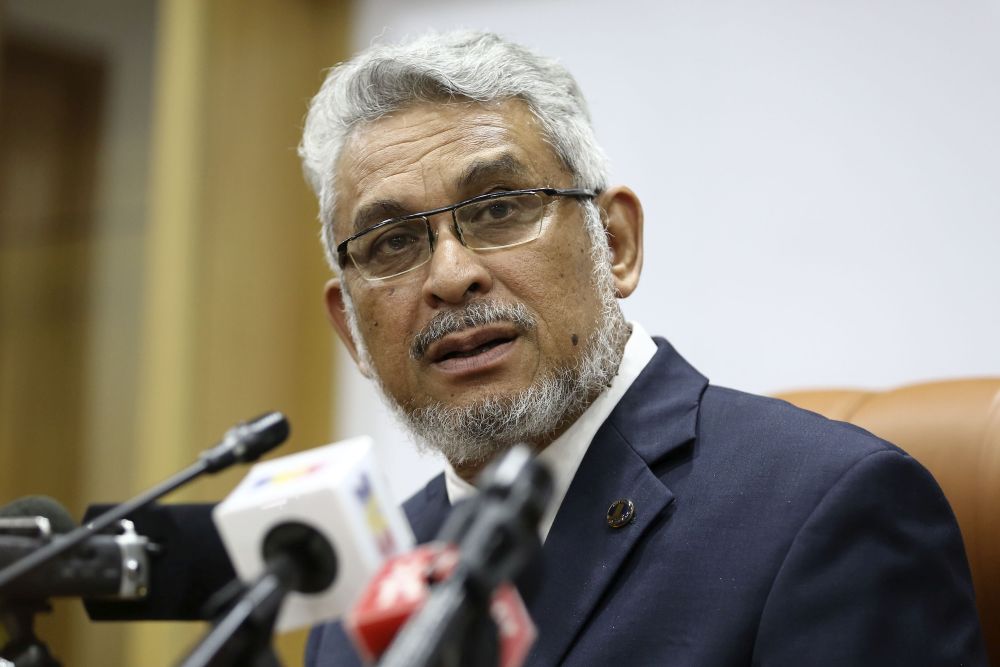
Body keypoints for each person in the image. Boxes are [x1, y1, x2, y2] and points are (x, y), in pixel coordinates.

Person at [298, 30, 986, 666]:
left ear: (616, 244)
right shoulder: (359, 596)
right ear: (351, 329)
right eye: (392, 242)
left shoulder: (827, 508)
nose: (451, 276)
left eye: (499, 208)